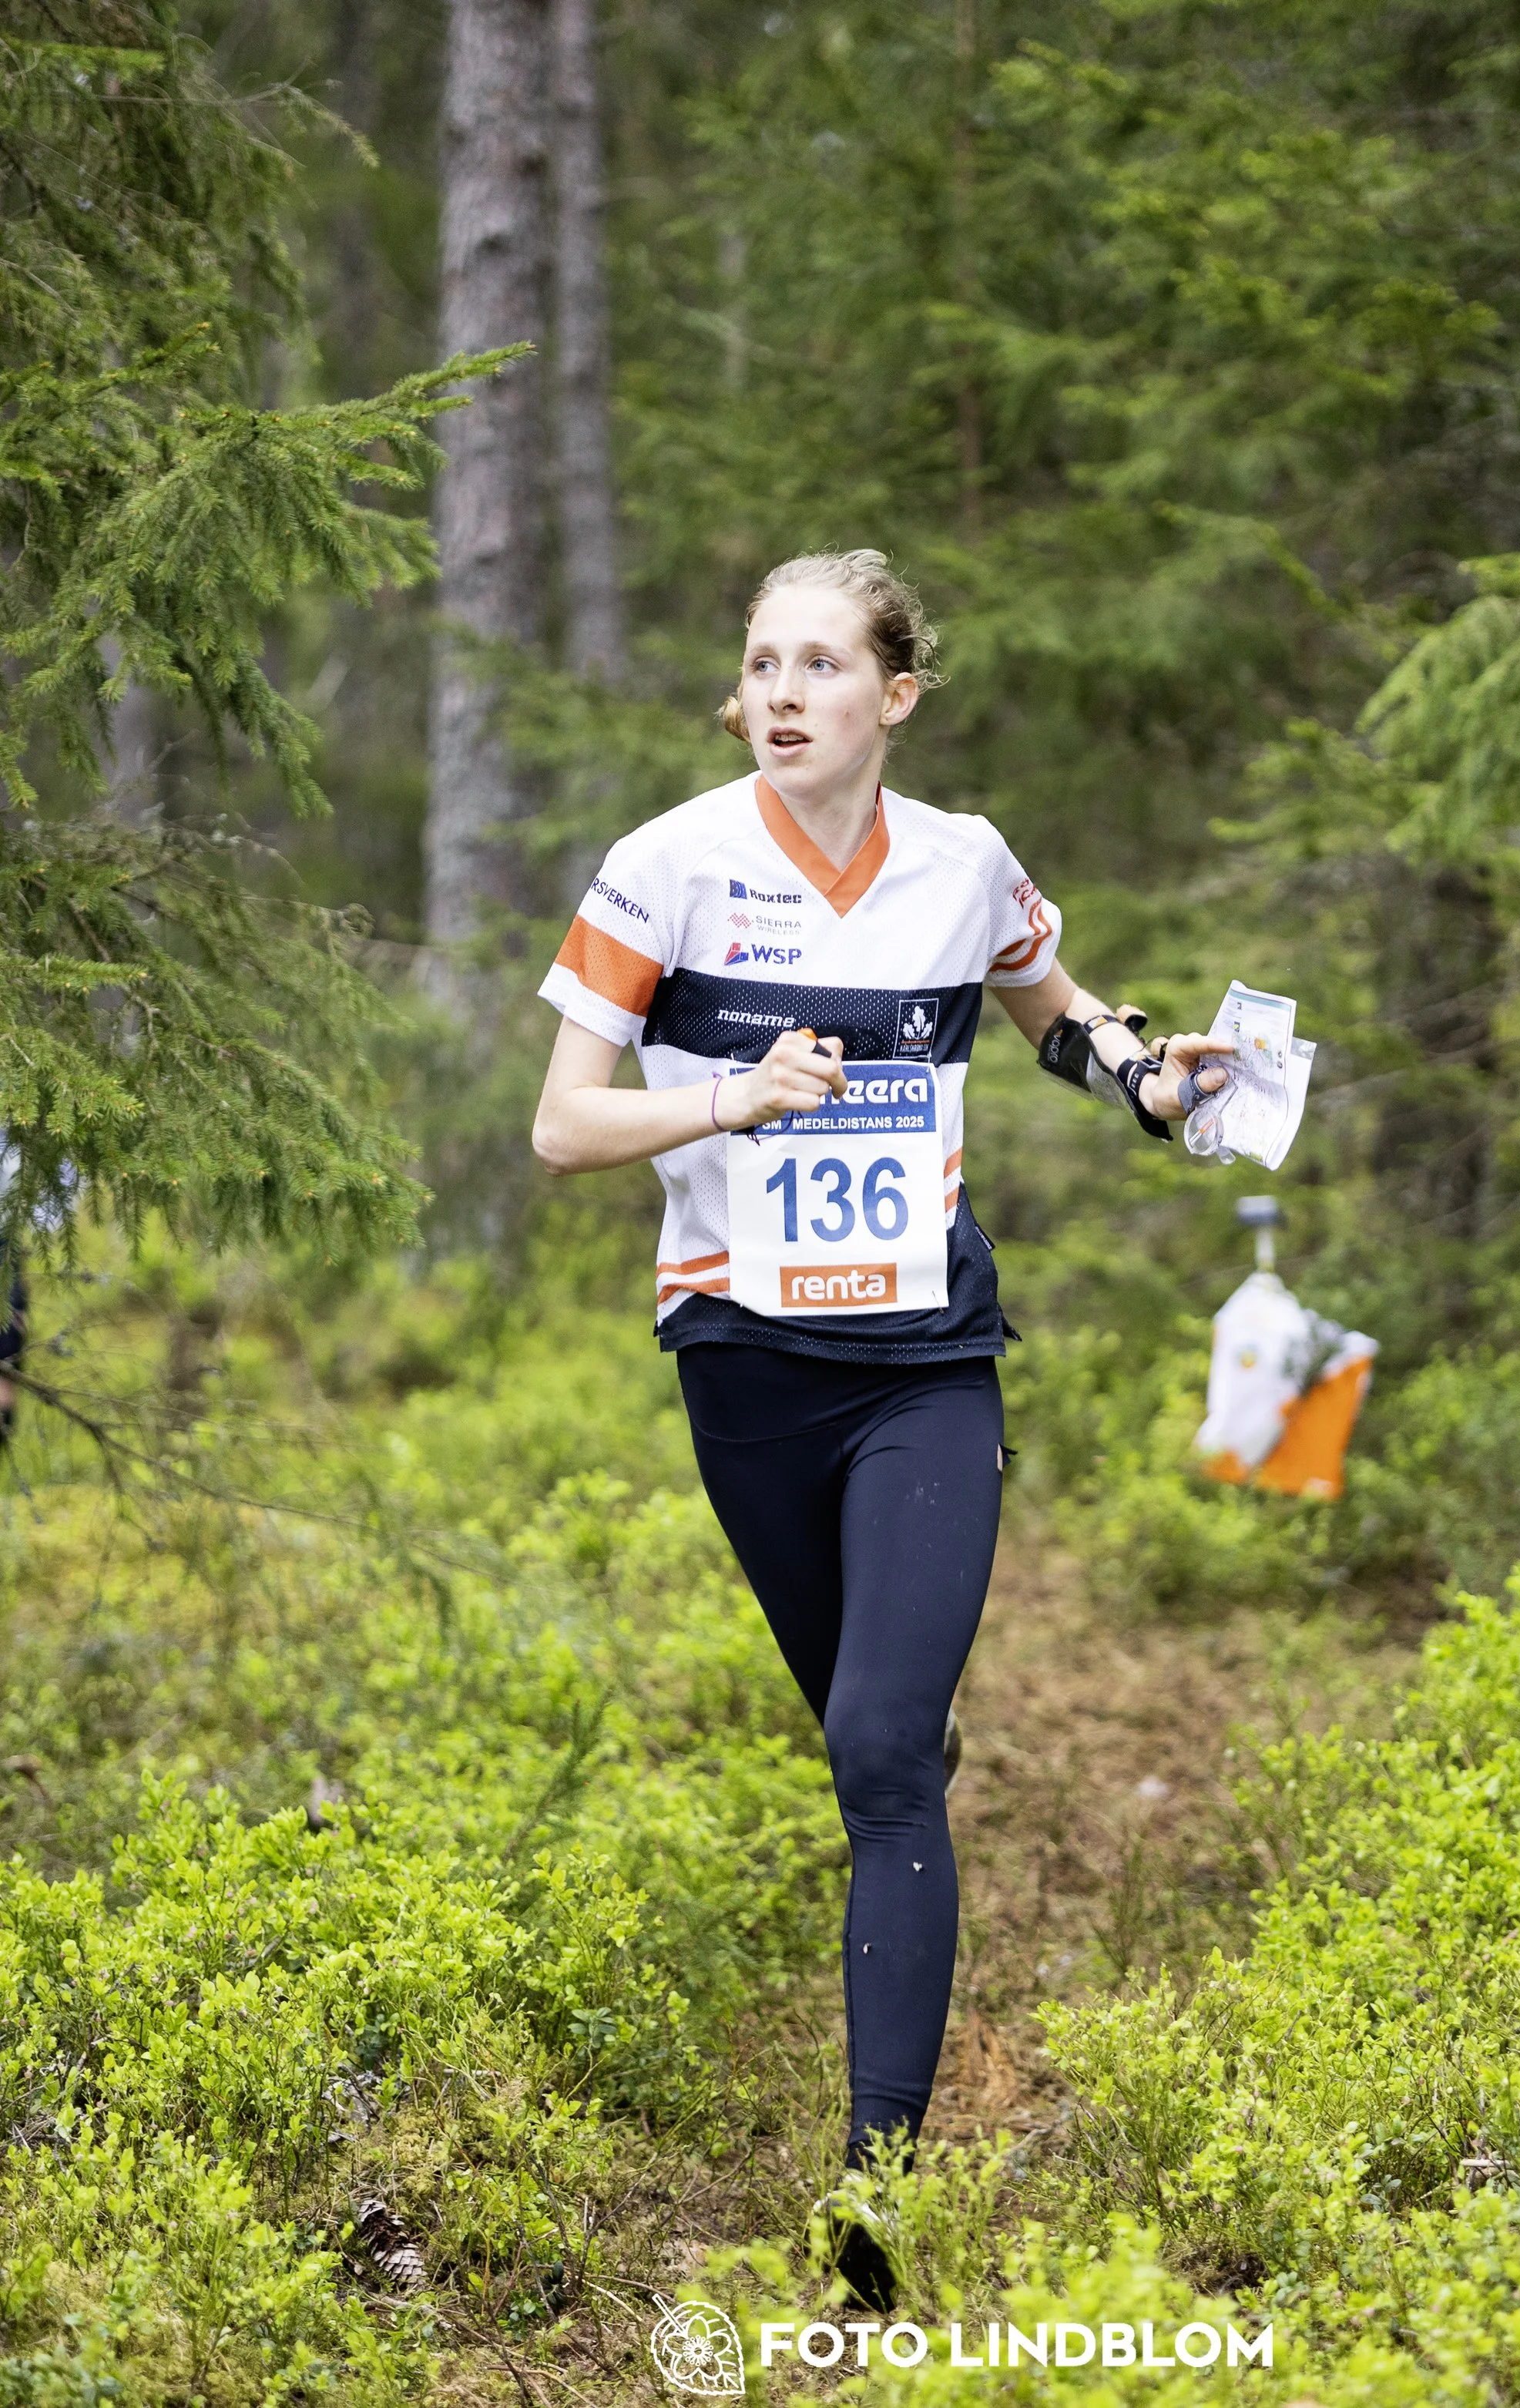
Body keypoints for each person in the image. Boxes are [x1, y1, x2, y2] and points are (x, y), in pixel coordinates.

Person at [530, 549, 1227, 2306]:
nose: (780, 690)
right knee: (870, 1737)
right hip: (746, 1360)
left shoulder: (962, 861)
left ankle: (875, 2192)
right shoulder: (666, 865)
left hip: (926, 1353)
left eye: (821, 663)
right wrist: (734, 1093)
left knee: (881, 1750)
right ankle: (904, 1792)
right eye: (759, 661)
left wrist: (1151, 1079)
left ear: (893, 694)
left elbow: (1054, 1016)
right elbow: (561, 1125)